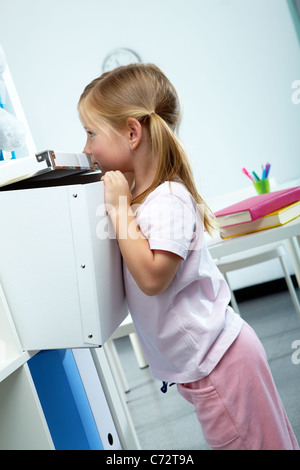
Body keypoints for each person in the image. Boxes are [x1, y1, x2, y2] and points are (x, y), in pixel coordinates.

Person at [78, 63, 299, 450]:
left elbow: (152, 277)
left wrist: (118, 209)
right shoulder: (149, 201)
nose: (86, 148)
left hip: (220, 366)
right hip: (212, 365)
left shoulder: (168, 199)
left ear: (132, 132)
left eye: (91, 133)